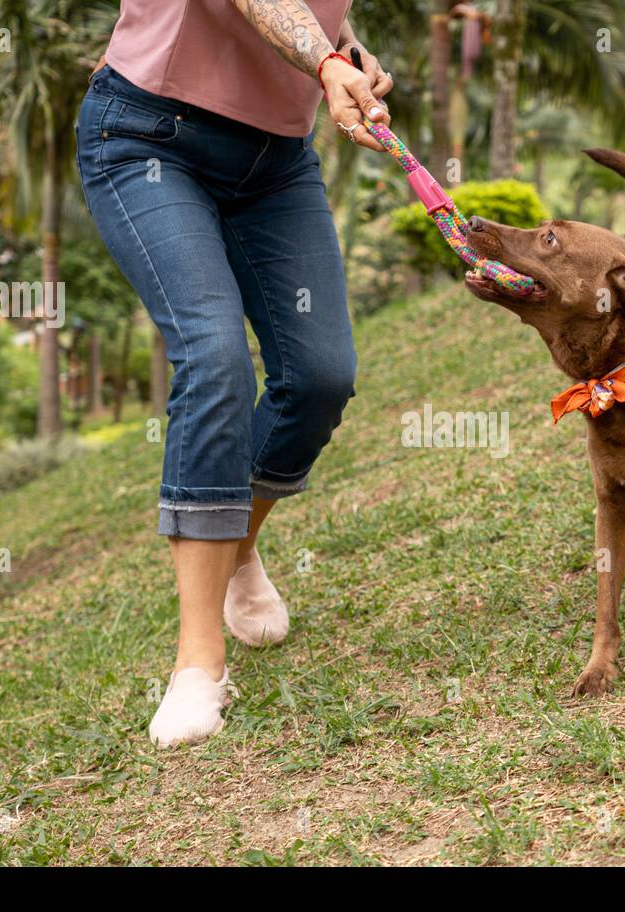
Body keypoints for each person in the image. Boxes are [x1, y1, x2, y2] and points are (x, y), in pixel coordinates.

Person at [76, 0, 392, 747]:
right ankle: (196, 665)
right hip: (148, 136)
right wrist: (320, 62)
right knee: (213, 352)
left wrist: (346, 49)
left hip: (275, 162)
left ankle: (238, 544)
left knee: (320, 375)